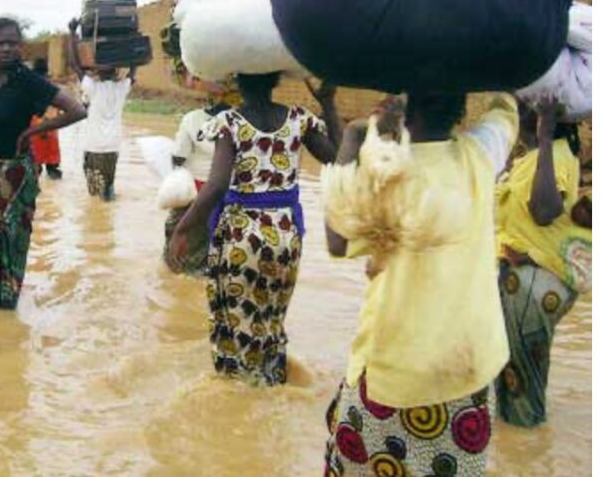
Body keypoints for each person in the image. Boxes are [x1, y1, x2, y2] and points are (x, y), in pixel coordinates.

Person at [321, 93, 519, 476]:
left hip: (391, 374)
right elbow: (506, 111)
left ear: (401, 108)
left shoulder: (382, 171)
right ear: (460, 108)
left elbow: (337, 240)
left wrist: (352, 138)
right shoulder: (480, 156)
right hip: (466, 376)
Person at [168, 71, 339, 386]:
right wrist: (327, 102)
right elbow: (338, 159)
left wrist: (183, 228)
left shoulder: (230, 122)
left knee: (235, 322)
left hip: (242, 235)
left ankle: (241, 396)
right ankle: (272, 386)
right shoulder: (300, 119)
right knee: (271, 320)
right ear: (276, 79)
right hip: (286, 236)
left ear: (236, 82)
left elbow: (216, 185)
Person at [0, 17, 87, 309]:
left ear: (20, 47)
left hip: (15, 174)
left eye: (12, 43)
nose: (5, 48)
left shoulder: (28, 82)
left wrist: (33, 130)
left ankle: (4, 306)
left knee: (4, 241)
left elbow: (77, 110)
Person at [494, 97, 591, 428]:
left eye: (525, 105)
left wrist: (546, 137)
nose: (519, 108)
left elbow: (544, 211)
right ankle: (520, 456)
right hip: (523, 284)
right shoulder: (533, 158)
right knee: (512, 383)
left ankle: (527, 454)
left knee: (523, 398)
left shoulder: (557, 154)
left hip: (531, 287)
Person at [162, 95, 233, 276]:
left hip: (194, 192)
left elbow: (179, 155)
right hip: (227, 192)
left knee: (179, 242)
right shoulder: (239, 121)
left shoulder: (192, 118)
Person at [66, 18, 135, 201]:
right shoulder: (122, 88)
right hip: (112, 147)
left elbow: (75, 65)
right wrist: (131, 40)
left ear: (97, 69)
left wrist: (72, 32)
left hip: (94, 146)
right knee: (108, 188)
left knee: (94, 194)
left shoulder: (92, 87)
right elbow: (134, 68)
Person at [28, 58, 64, 180]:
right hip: (51, 125)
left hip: (35, 125)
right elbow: (61, 108)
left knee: (34, 165)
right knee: (52, 159)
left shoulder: (30, 85)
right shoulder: (53, 86)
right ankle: (52, 170)